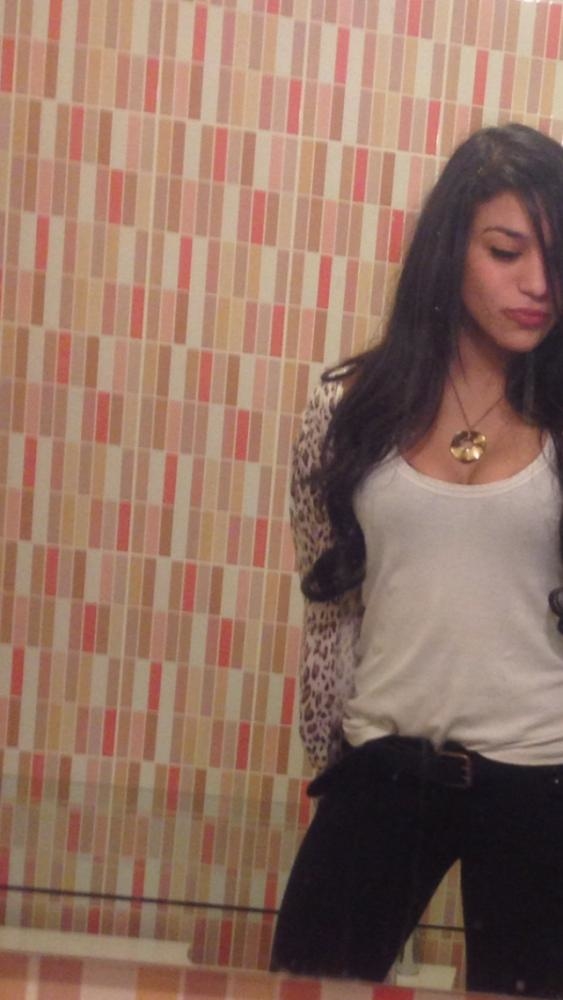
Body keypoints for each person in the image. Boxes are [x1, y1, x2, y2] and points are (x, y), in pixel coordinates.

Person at [270, 123, 563, 998]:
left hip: (543, 778)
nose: (538, 284)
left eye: (556, 257)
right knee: (304, 984)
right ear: (449, 251)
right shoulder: (346, 410)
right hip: (384, 767)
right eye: (506, 252)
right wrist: (332, 758)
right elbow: (330, 606)